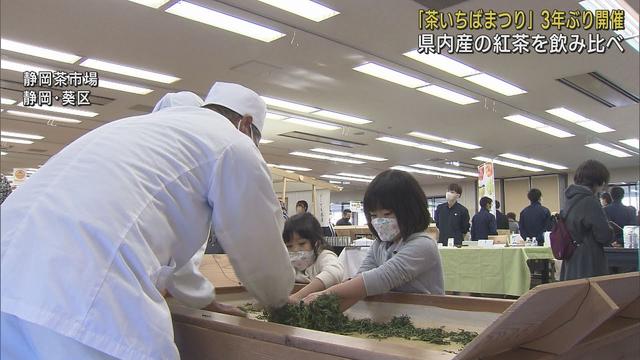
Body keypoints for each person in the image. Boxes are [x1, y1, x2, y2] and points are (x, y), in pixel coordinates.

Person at [0, 82, 295, 360]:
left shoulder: (137, 128)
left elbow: (175, 257)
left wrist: (204, 301)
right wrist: (280, 300)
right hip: (81, 293)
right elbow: (259, 247)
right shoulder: (234, 143)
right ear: (245, 124)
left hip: (10, 276)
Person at [302, 170, 444, 311]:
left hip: (427, 317)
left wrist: (325, 294)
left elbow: (380, 278)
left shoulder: (423, 245)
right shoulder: (379, 245)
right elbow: (359, 282)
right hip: (393, 318)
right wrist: (328, 312)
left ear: (411, 211)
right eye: (373, 215)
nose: (379, 221)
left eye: (387, 214)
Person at [560, 160, 613, 281]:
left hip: (571, 257)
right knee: (591, 296)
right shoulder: (590, 201)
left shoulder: (569, 200)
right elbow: (604, 236)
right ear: (597, 181)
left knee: (574, 295)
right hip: (588, 260)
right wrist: (611, 231)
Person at [283, 213, 344, 304]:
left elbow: (334, 273)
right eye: (289, 246)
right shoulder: (288, 263)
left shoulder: (324, 256)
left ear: (316, 242)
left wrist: (298, 296)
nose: (295, 250)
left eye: (302, 244)